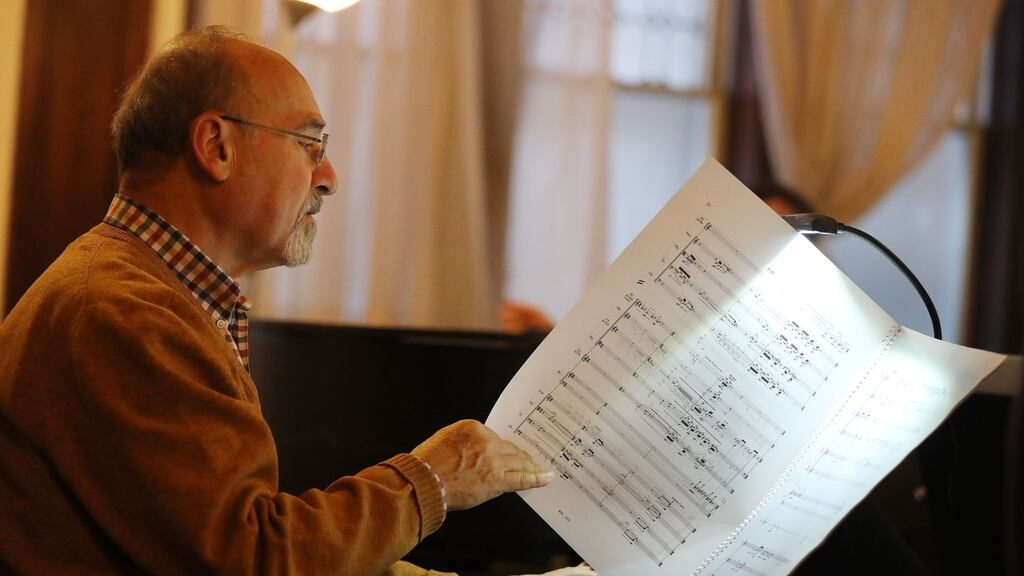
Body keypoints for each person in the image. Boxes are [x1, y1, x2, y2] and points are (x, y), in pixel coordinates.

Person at [0, 27, 594, 576]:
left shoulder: (142, 291)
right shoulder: (122, 311)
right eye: (311, 143)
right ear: (216, 145)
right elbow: (253, 558)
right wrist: (431, 479)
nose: (329, 176)